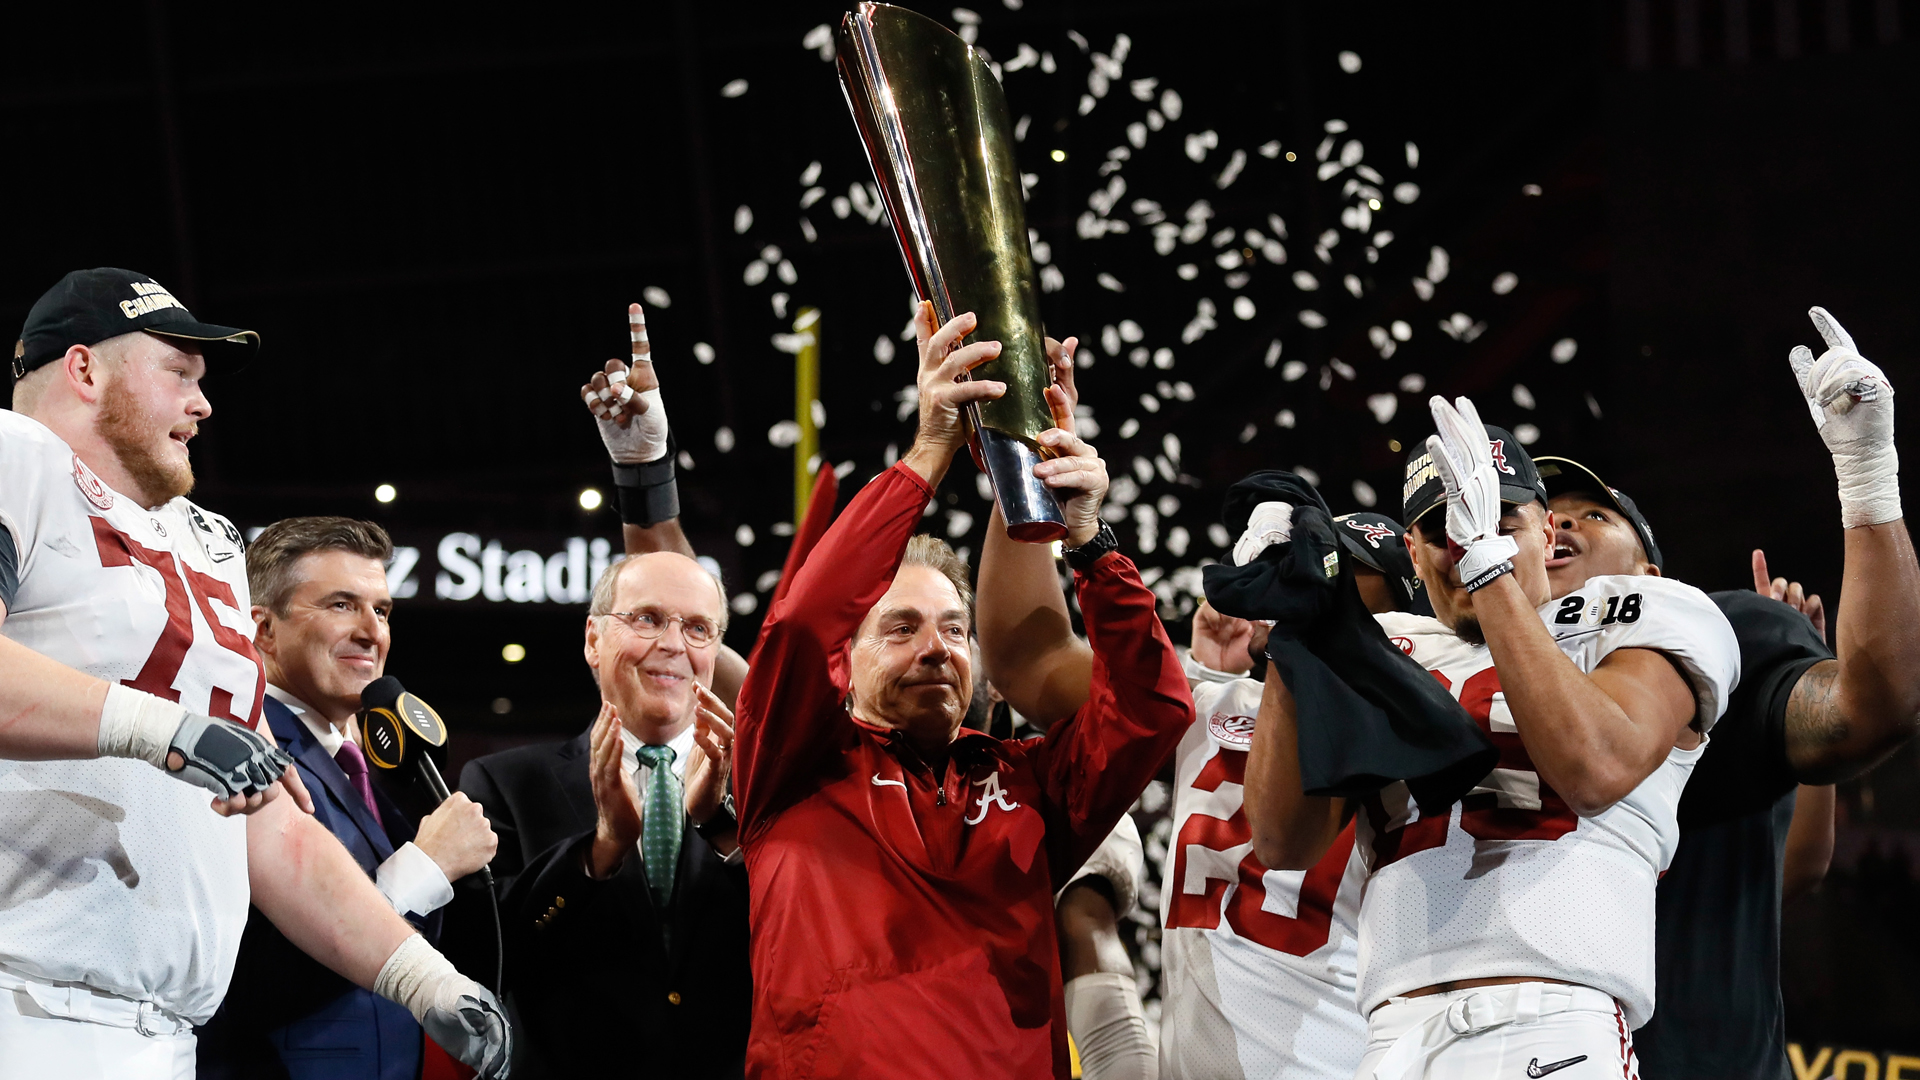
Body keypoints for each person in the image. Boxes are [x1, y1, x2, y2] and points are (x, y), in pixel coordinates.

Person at [0, 268, 508, 1079]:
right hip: (25, 1003)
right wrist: (165, 728)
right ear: (85, 369)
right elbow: (184, 739)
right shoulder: (14, 456)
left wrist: (423, 979)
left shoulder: (210, 541)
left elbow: (268, 821)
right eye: (179, 375)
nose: (202, 406)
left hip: (169, 1037)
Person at [731, 302, 1192, 1078]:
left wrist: (1088, 543)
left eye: (952, 629)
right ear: (849, 659)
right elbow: (805, 623)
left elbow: (1154, 710)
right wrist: (932, 449)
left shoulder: (1030, 784)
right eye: (900, 628)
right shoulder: (793, 765)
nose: (935, 649)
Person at [1241, 399, 1740, 1078]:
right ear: (1412, 552)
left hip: (1553, 1019)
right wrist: (1292, 638)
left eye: (1501, 522)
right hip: (1392, 1039)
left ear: (1547, 533)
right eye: (1440, 532)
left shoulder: (1640, 613)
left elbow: (1597, 768)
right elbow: (1283, 844)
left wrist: (1488, 567)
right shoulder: (1383, 645)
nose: (1463, 539)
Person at [1534, 307, 1920, 1080]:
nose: (1561, 526)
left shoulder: (1712, 639)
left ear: (1650, 575)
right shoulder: (1457, 668)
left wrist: (1867, 478)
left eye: (1594, 514)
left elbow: (1872, 716)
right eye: (1543, 517)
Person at [455, 302, 751, 1078]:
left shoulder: (760, 789)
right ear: (593, 638)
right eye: (646, 618)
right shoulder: (501, 784)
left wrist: (721, 835)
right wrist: (605, 848)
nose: (671, 646)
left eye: (696, 629)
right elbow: (487, 961)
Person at [195, 517, 501, 1080]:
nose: (371, 632)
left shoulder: (380, 772)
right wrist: (423, 868)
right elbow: (246, 977)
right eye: (341, 605)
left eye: (381, 610)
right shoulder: (238, 753)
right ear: (262, 630)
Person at [1153, 512, 1420, 1080]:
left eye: (1337, 567)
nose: (1307, 579)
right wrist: (1218, 677)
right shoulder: (1221, 705)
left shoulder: (1407, 738)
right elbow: (1035, 665)